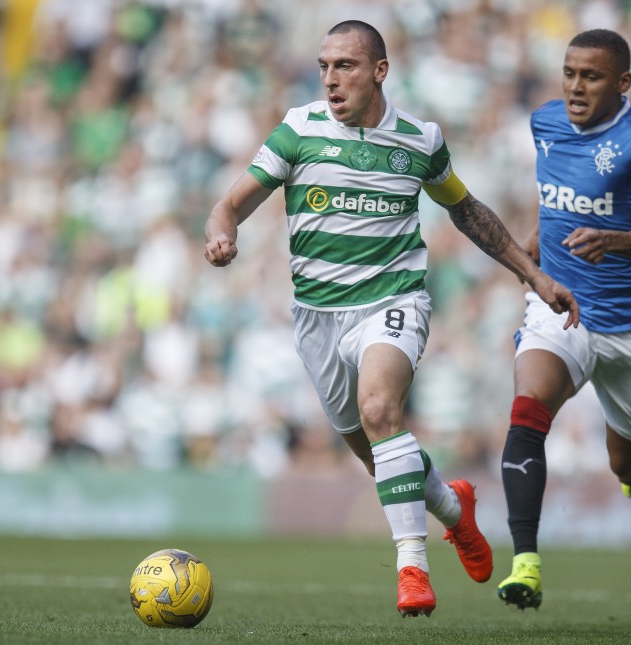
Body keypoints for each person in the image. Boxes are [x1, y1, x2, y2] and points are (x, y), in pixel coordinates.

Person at [204, 20, 579, 618]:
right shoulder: (298, 130)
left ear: (379, 71)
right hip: (317, 317)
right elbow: (228, 205)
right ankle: (455, 512)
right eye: (325, 66)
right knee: (378, 452)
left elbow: (468, 211)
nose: (330, 79)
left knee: (381, 410)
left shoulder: (418, 141)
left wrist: (532, 276)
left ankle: (412, 567)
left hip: (393, 300)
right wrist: (222, 236)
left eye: (345, 66)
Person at [496, 28, 631, 611]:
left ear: (622, 82)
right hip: (563, 309)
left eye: (592, 76)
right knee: (528, 407)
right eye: (570, 73)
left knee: (626, 465)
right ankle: (525, 561)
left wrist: (615, 240)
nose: (576, 86)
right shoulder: (545, 123)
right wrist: (529, 259)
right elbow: (556, 200)